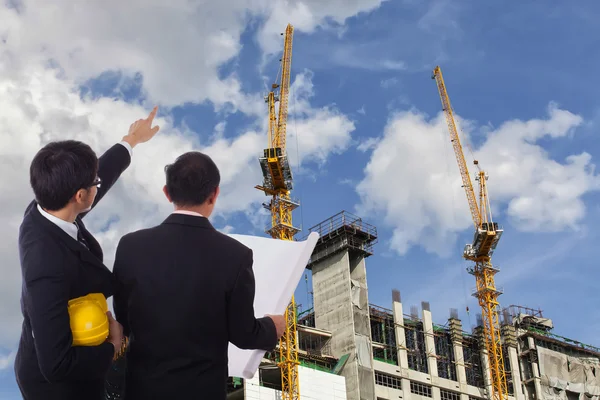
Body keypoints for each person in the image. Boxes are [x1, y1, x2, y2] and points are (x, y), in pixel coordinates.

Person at [112, 151, 285, 399]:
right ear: (214, 194)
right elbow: (243, 333)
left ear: (167, 193)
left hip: (143, 390)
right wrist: (272, 327)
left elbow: (125, 320)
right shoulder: (236, 256)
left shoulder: (130, 246)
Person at [14, 107, 161, 400]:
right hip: (58, 386)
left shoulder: (48, 205)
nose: (99, 183)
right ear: (79, 196)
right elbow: (56, 366)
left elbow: (100, 175)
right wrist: (113, 345)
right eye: (93, 184)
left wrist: (130, 140)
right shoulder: (46, 265)